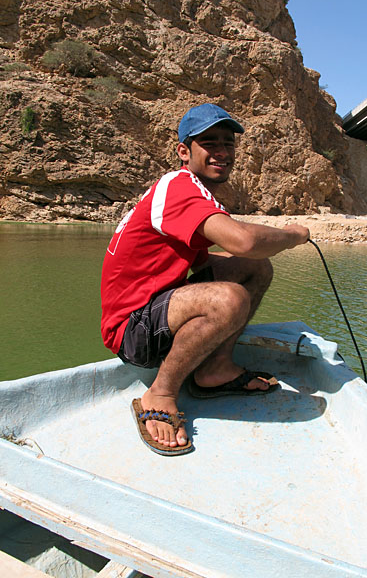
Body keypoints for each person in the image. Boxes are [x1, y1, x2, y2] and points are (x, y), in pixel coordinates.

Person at [101, 103, 310, 456]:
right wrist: (292, 235)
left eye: (228, 144)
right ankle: (161, 392)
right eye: (209, 143)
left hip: (157, 310)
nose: (222, 152)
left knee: (254, 268)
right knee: (229, 297)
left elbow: (208, 261)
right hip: (130, 329)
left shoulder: (195, 191)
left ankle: (215, 368)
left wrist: (240, 267)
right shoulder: (179, 186)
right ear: (184, 151)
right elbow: (244, 239)